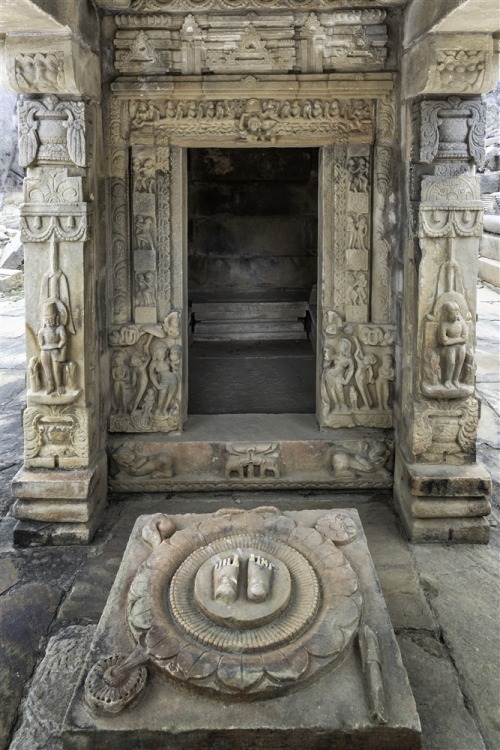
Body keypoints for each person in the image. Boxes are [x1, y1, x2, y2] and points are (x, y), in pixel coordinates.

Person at [37, 301, 67, 395]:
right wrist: (54, 345)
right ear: (43, 320)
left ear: (57, 318)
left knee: (56, 369)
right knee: (47, 370)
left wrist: (58, 346)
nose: (49, 322)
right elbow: (41, 345)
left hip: (55, 352)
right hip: (45, 353)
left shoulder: (60, 328)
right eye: (46, 320)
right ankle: (51, 385)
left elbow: (64, 340)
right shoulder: (42, 331)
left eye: (51, 319)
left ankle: (59, 385)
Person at [438, 301, 467, 388]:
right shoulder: (444, 325)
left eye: (457, 314)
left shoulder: (461, 323)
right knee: (451, 363)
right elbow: (444, 341)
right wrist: (459, 340)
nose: (455, 316)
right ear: (446, 314)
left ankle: (455, 380)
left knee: (460, 362)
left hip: (461, 347)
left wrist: (451, 340)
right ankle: (447, 380)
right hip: (449, 348)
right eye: (452, 314)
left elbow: (465, 338)